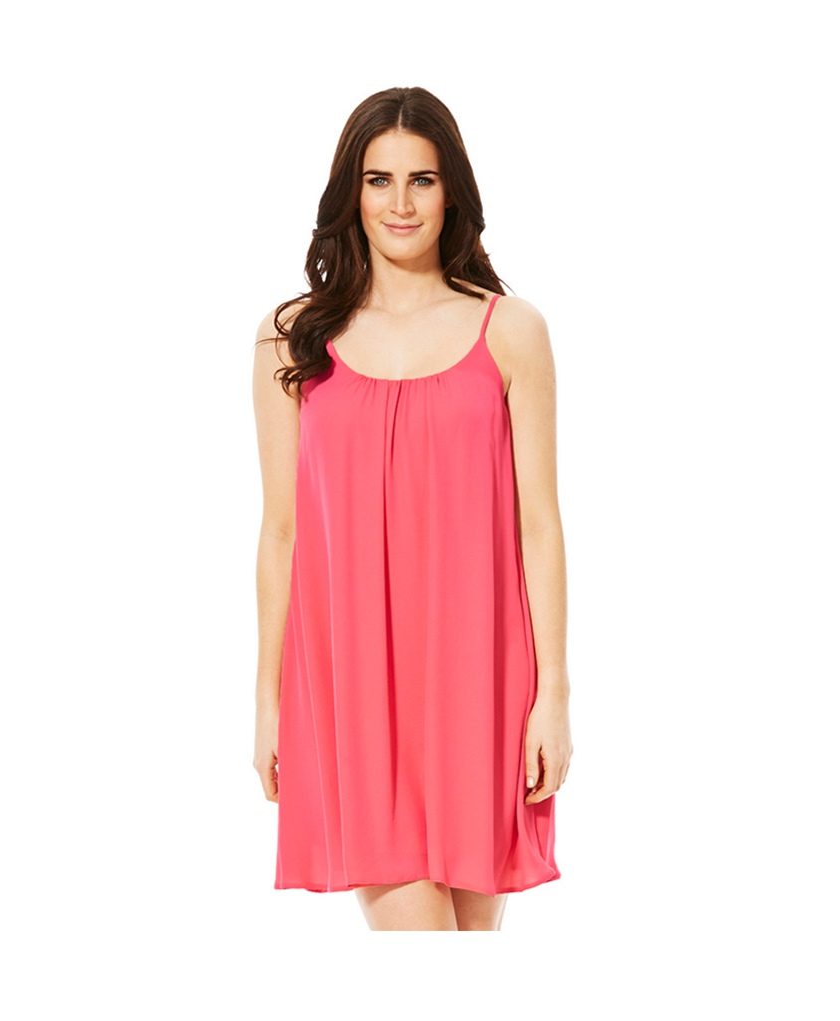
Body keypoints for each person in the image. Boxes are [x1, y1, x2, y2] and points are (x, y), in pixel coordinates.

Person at [252, 86, 573, 931]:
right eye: (378, 179)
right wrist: (268, 701)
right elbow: (281, 532)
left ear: (451, 190)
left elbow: (540, 526)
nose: (400, 203)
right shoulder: (293, 338)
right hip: (353, 682)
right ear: (350, 192)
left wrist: (553, 695)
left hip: (483, 679)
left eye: (421, 180)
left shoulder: (510, 330)